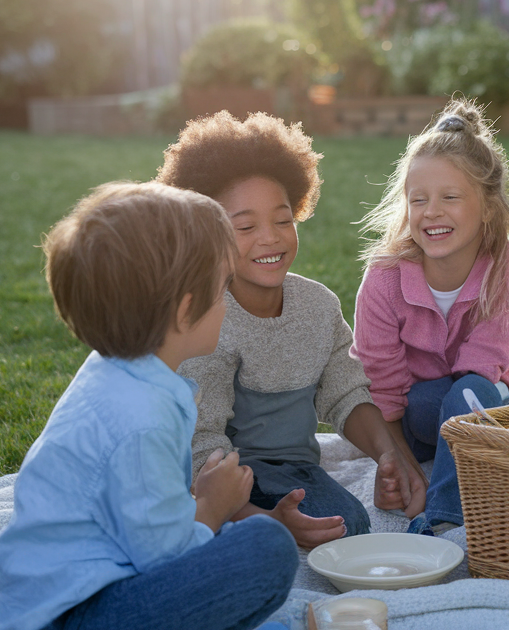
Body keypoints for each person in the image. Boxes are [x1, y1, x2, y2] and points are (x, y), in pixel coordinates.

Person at [0, 181, 298, 630]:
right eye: (222, 287)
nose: (228, 304)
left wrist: (195, 504)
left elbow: (139, 513)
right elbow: (163, 556)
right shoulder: (141, 419)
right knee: (265, 546)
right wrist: (214, 506)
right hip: (79, 615)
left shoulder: (116, 372)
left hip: (83, 592)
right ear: (184, 310)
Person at [156, 111, 426, 546]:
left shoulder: (317, 305)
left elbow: (346, 393)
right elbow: (200, 441)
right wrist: (257, 517)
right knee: (337, 527)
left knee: (347, 524)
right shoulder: (206, 321)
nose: (270, 238)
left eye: (283, 220)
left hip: (297, 472)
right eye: (245, 226)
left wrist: (388, 456)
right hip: (225, 476)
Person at [352, 98, 509, 533]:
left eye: (450, 197)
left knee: (464, 394)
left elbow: (482, 369)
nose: (431, 211)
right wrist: (397, 465)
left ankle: (443, 520)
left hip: (489, 400)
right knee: (422, 402)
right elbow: (384, 385)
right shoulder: (384, 279)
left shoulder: (503, 266)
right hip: (422, 409)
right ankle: (453, 475)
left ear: (488, 207)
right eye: (419, 200)